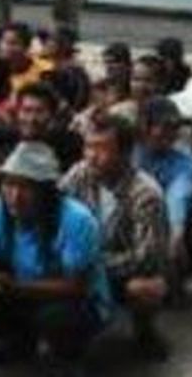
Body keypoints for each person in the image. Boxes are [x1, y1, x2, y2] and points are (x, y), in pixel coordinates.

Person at [0, 141, 113, 369]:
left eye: (26, 187)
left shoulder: (77, 220)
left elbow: (77, 286)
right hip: (23, 291)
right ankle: (16, 342)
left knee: (57, 318)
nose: (15, 196)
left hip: (76, 301)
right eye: (9, 184)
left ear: (46, 191)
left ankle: (71, 354)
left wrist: (14, 286)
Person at [61, 115, 170, 361]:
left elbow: (146, 258)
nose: (91, 155)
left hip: (123, 271)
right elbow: (55, 209)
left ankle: (145, 332)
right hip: (85, 261)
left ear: (125, 153)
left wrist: (91, 265)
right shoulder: (80, 173)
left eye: (102, 148)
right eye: (88, 146)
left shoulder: (145, 194)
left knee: (144, 289)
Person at [134, 97, 192, 298]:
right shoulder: (128, 151)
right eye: (164, 126)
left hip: (167, 223)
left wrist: (177, 230)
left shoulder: (182, 159)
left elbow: (180, 192)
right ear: (145, 127)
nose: (171, 133)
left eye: (174, 127)